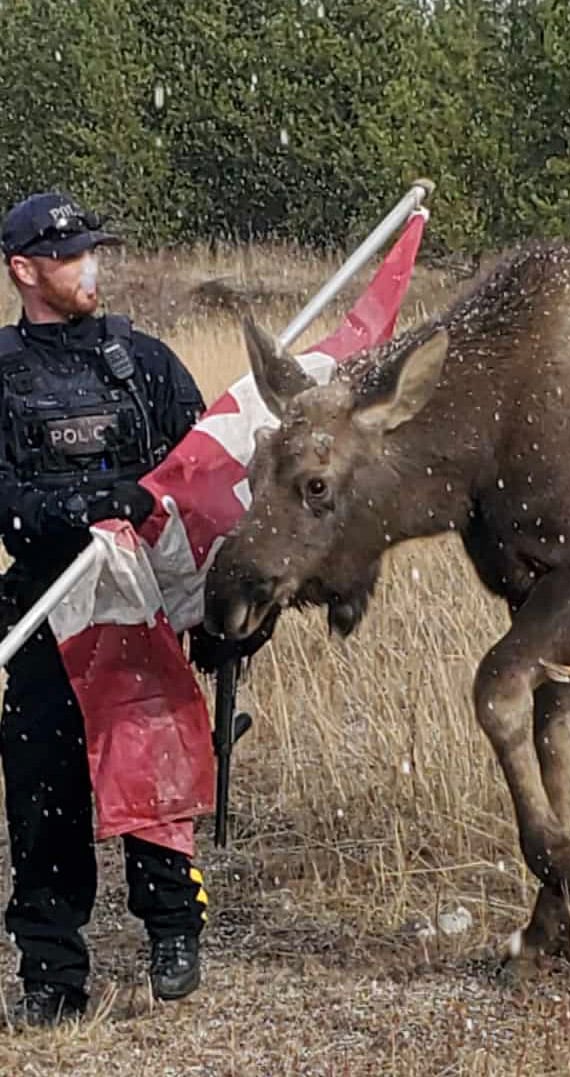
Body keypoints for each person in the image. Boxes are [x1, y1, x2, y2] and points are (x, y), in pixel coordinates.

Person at [0, 192, 211, 1026]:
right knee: (44, 798)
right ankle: (52, 973)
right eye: (72, 253)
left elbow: (200, 474)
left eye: (95, 250)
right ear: (24, 269)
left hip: (135, 606)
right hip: (44, 611)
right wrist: (91, 501)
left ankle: (174, 929)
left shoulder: (144, 361)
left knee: (153, 777)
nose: (92, 266)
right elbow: (5, 500)